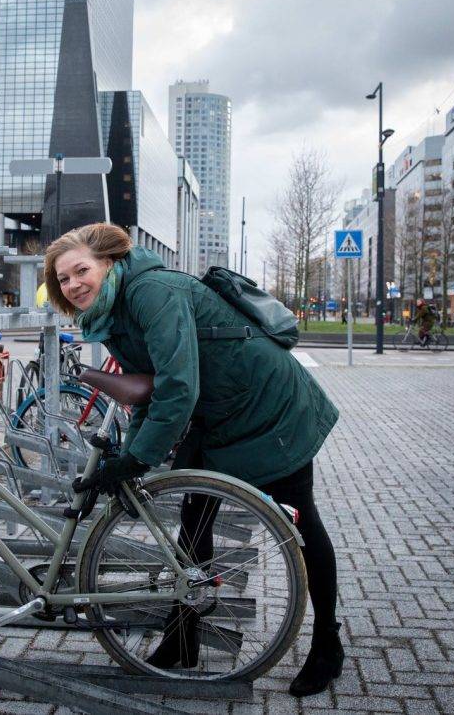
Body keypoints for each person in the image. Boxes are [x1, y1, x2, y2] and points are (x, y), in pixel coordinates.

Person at [44, 223, 343, 697]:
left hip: (270, 406)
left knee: (301, 521)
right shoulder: (116, 308)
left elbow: (178, 386)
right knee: (194, 518)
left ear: (108, 263)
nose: (74, 284)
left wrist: (136, 459)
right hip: (218, 409)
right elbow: (152, 388)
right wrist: (130, 455)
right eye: (63, 279)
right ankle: (183, 636)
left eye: (81, 270)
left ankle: (327, 644)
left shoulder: (152, 293)